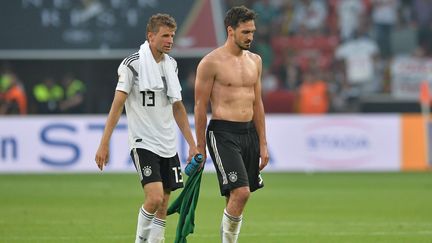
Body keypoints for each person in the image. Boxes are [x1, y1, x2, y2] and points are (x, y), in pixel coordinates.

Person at [95, 13, 198, 243]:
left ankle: (156, 240)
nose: (170, 40)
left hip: (168, 143)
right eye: (165, 36)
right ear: (150, 36)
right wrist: (104, 143)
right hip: (143, 142)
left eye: (172, 35)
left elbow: (178, 107)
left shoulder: (171, 65)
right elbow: (117, 105)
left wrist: (192, 144)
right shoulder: (132, 65)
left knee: (163, 203)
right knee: (154, 198)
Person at [194, 6, 269, 243]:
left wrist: (263, 144)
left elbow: (258, 104)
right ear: (230, 30)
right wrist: (198, 145)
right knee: (241, 192)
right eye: (245, 32)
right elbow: (199, 106)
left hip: (248, 133)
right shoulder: (210, 62)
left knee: (235, 197)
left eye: (252, 32)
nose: (250, 37)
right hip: (223, 132)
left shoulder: (255, 61)